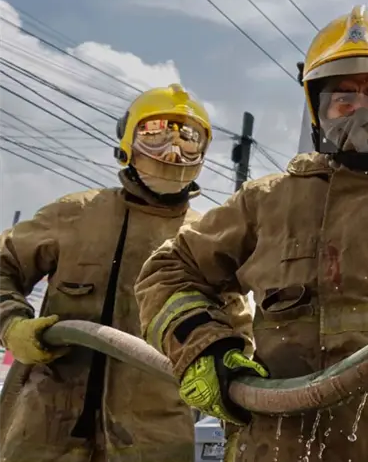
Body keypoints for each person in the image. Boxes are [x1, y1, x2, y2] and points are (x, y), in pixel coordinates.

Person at [134, 6, 368, 462]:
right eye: (343, 98)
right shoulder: (266, 204)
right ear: (318, 108)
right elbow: (168, 271)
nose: (361, 111)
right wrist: (204, 347)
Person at [0, 83, 252, 461]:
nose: (172, 151)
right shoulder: (76, 214)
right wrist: (10, 324)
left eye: (189, 140)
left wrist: (239, 430)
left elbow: (239, 343)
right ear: (127, 142)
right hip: (44, 432)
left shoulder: (205, 238)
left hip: (155, 442)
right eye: (156, 134)